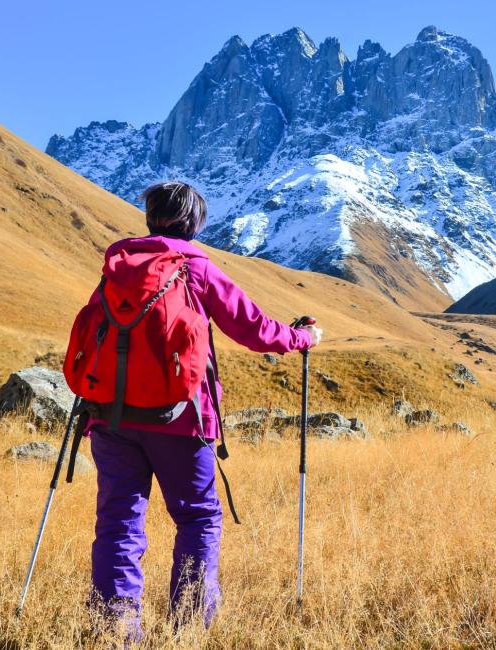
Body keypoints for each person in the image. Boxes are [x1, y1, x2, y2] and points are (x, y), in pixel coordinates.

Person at [85, 182, 322, 639]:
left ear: (150, 218)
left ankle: (115, 630)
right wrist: (302, 337)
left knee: (119, 521)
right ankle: (189, 627)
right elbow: (254, 328)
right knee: (197, 517)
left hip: (110, 415)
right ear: (194, 223)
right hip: (181, 418)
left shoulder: (116, 266)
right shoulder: (196, 266)